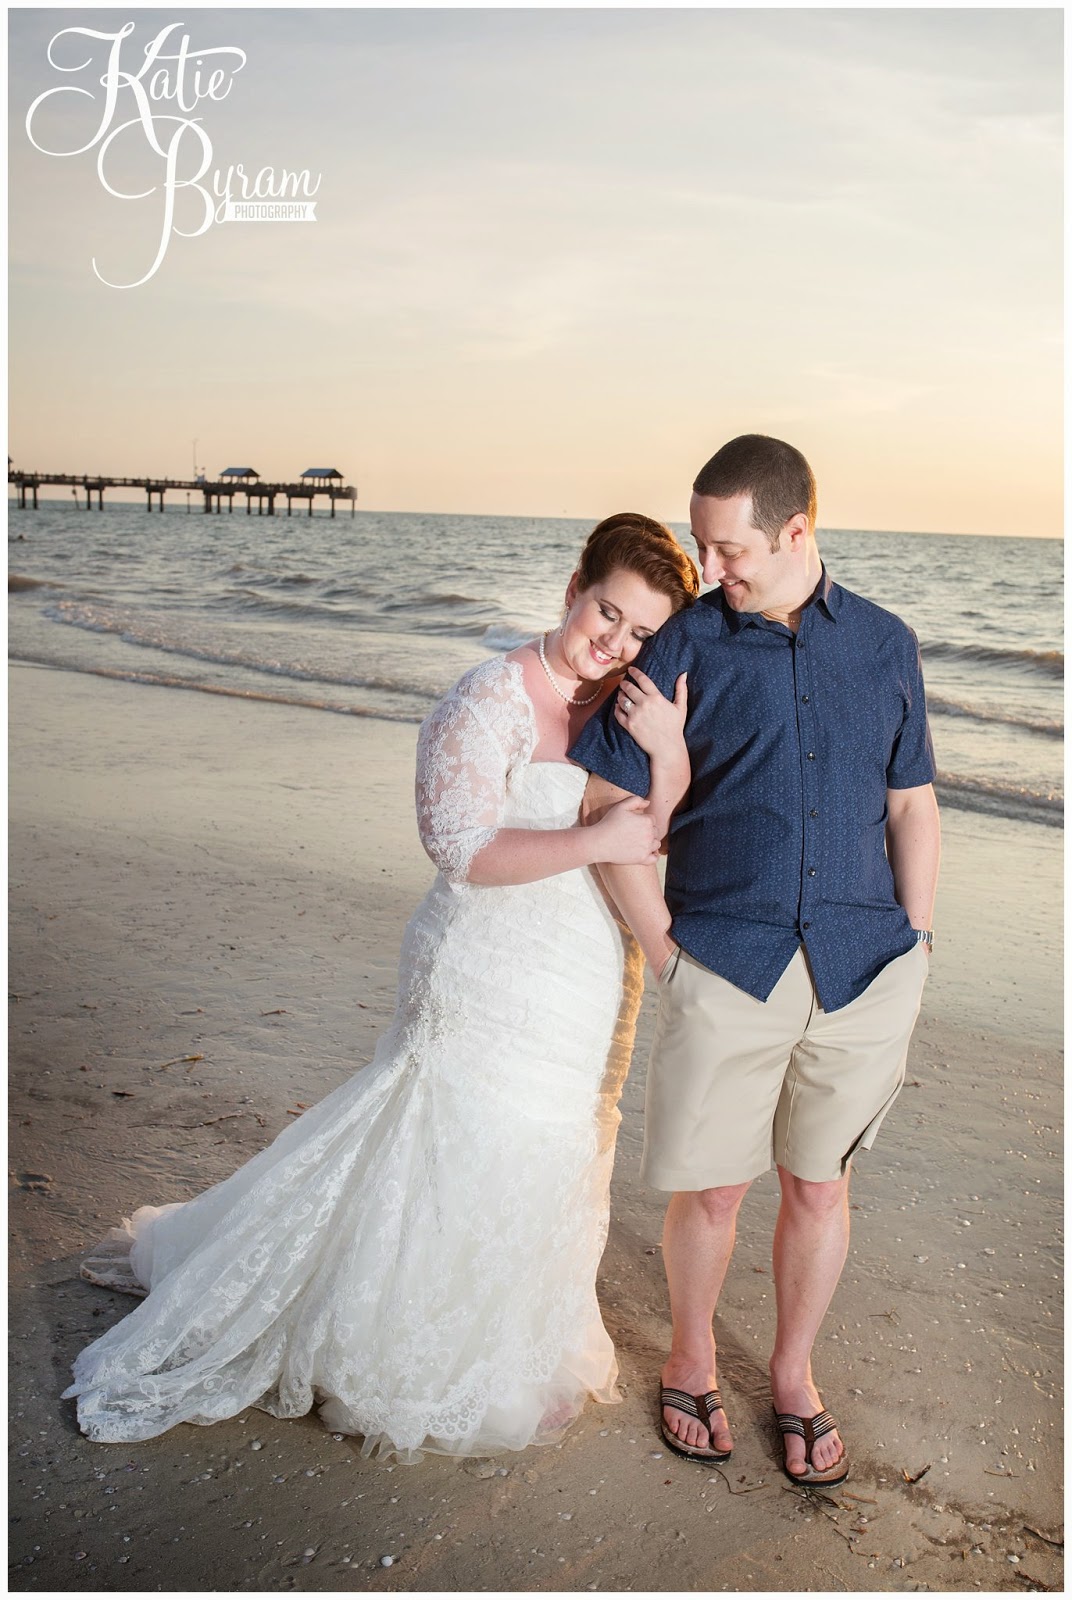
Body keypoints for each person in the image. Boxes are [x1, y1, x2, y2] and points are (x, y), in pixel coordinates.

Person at [64, 512, 700, 1463]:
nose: (615, 641)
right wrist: (592, 842)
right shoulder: (486, 698)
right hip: (482, 960)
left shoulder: (626, 713)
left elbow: (653, 829)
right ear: (575, 587)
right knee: (456, 1132)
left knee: (549, 1136)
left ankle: (512, 1340)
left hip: (579, 969)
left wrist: (670, 746)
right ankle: (384, 1340)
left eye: (643, 632)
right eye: (608, 612)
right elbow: (458, 851)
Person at [571, 436, 940, 1486]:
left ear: (795, 531)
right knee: (715, 1192)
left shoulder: (885, 643)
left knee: (819, 1187)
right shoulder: (683, 639)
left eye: (728, 548)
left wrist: (916, 941)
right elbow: (604, 805)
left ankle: (790, 1372)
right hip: (723, 961)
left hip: (865, 967)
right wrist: (665, 951)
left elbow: (911, 801)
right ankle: (690, 1355)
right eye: (700, 544)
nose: (710, 566)